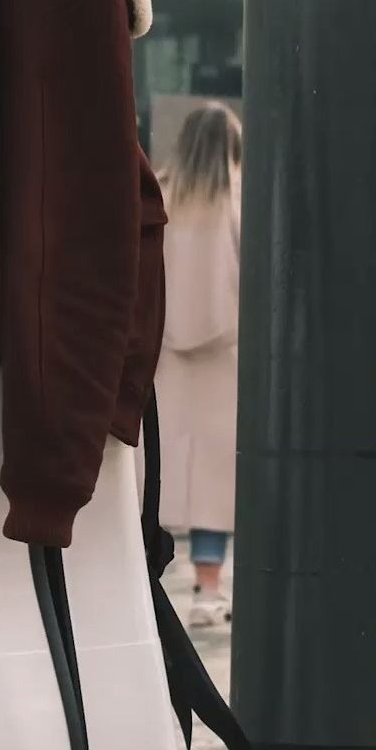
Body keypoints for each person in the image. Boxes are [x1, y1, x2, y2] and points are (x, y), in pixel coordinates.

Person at [153, 104, 241, 626]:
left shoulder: (159, 194)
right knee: (215, 477)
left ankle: (149, 580)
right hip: (228, 360)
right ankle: (209, 589)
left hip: (163, 359)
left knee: (161, 476)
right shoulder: (244, 200)